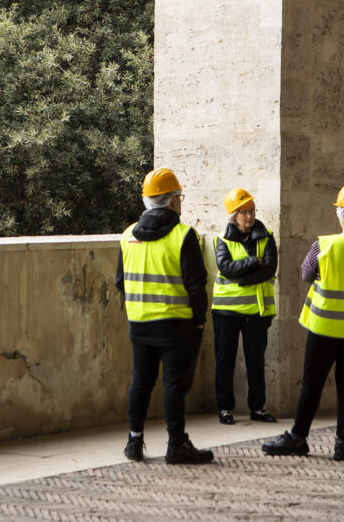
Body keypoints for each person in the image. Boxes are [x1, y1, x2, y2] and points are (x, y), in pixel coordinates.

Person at [262, 183, 344, 461]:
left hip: (325, 327)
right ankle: (343, 443)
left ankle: (298, 437)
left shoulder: (324, 244)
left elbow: (307, 273)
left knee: (312, 382)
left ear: (341, 217)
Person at [114, 167, 214, 464]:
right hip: (176, 325)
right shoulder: (184, 235)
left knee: (140, 382)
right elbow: (197, 284)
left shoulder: (128, 235)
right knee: (174, 385)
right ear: (172, 201)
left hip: (139, 323)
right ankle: (176, 444)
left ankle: (134, 441)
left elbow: (120, 281)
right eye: (179, 196)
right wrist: (199, 318)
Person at [212, 187, 278, 425]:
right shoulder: (222, 239)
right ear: (233, 215)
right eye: (243, 212)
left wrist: (241, 279)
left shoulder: (267, 236)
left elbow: (269, 269)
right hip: (226, 312)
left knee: (255, 361)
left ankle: (257, 408)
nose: (249, 216)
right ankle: (225, 409)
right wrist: (254, 262)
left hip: (257, 312)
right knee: (225, 360)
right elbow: (225, 268)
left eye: (251, 211)